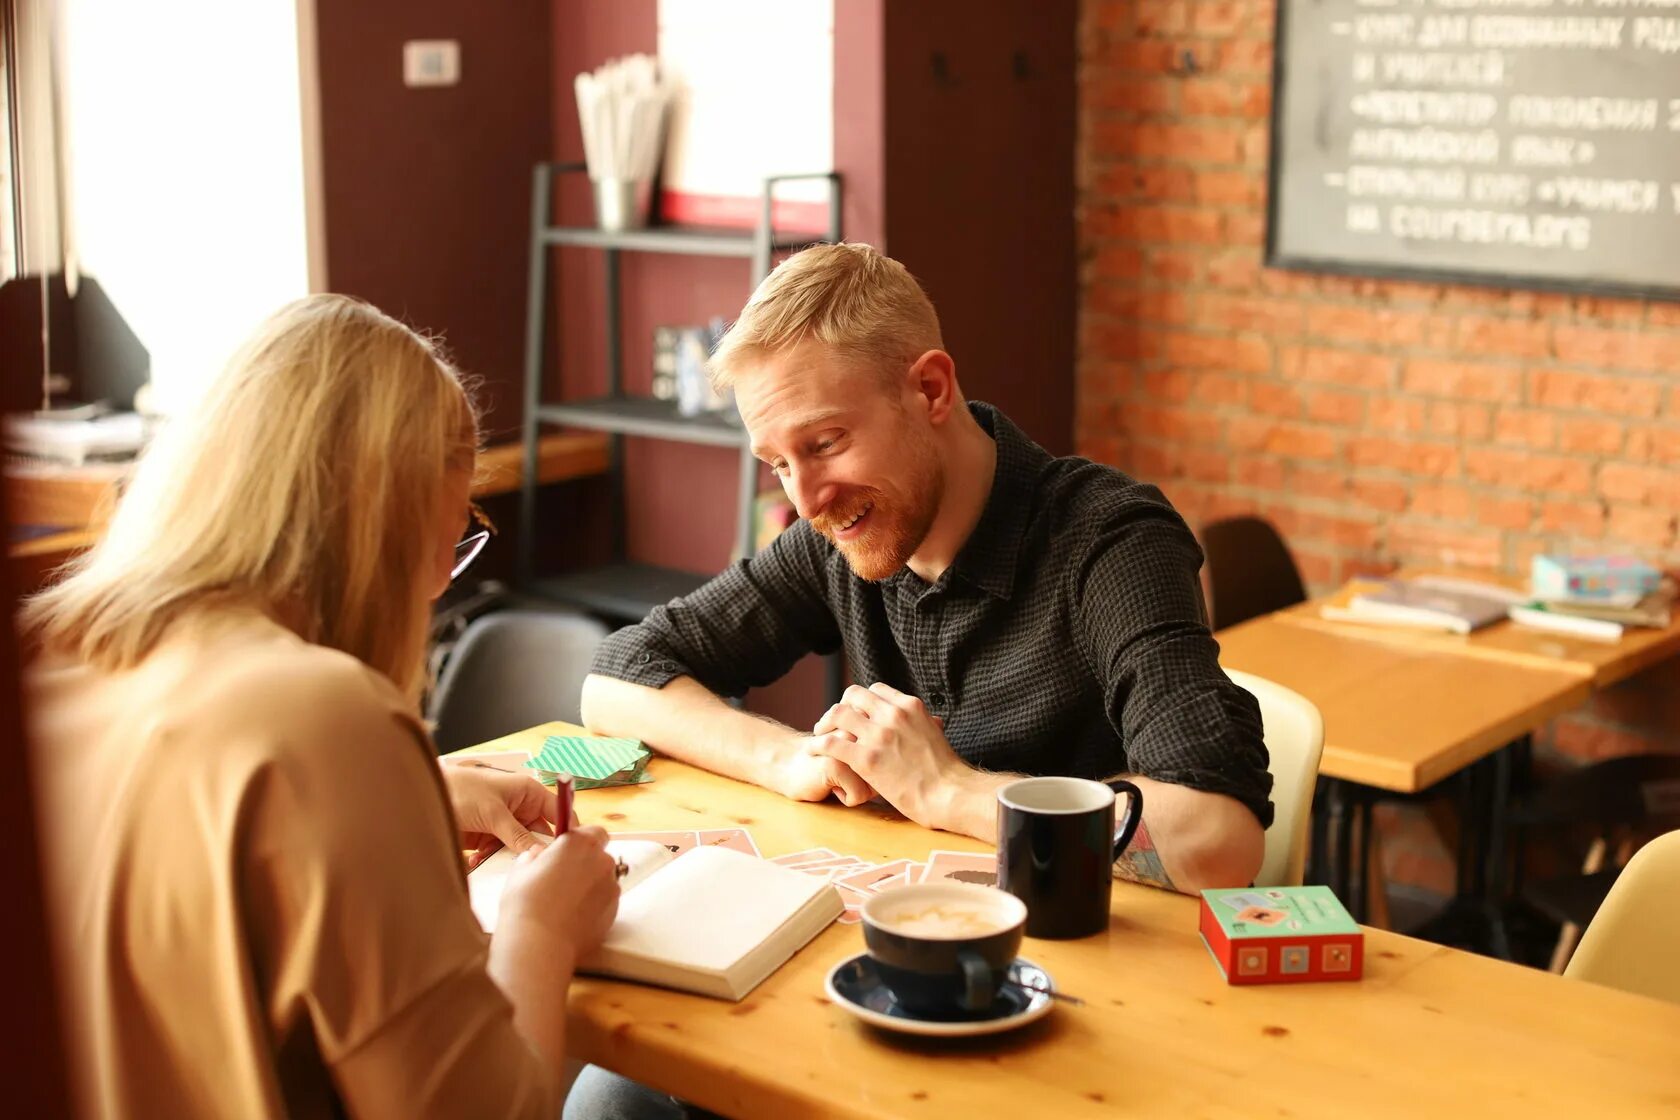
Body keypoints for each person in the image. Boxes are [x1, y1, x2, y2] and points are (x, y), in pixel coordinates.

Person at [23, 295, 625, 1118]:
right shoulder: (325, 716)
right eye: (449, 540)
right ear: (380, 526)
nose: (444, 582)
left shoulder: (45, 654)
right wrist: (543, 929)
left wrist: (413, 796)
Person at [581, 243, 1272, 896]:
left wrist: (946, 789)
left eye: (825, 443)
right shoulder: (839, 537)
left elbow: (1218, 842)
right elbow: (616, 678)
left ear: (932, 389)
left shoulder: (1109, 543)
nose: (806, 501)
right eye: (779, 464)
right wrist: (790, 759)